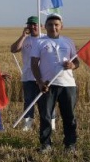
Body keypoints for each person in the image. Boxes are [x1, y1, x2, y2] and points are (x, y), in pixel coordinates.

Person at [31, 14, 80, 154]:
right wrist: (39, 82)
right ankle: (46, 144)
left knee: (69, 116)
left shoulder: (68, 42)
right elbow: (34, 64)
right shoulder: (39, 42)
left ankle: (70, 144)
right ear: (45, 27)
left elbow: (76, 62)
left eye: (56, 25)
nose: (53, 27)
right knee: (45, 116)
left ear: (61, 26)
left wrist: (72, 65)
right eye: (50, 25)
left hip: (68, 84)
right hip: (47, 85)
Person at [10, 15, 42, 131]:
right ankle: (27, 124)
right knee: (28, 101)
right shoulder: (26, 40)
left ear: (40, 26)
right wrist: (23, 36)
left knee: (46, 102)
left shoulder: (45, 39)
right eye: (30, 24)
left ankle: (49, 123)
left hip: (43, 77)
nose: (33, 27)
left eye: (35, 24)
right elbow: (13, 49)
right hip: (28, 76)